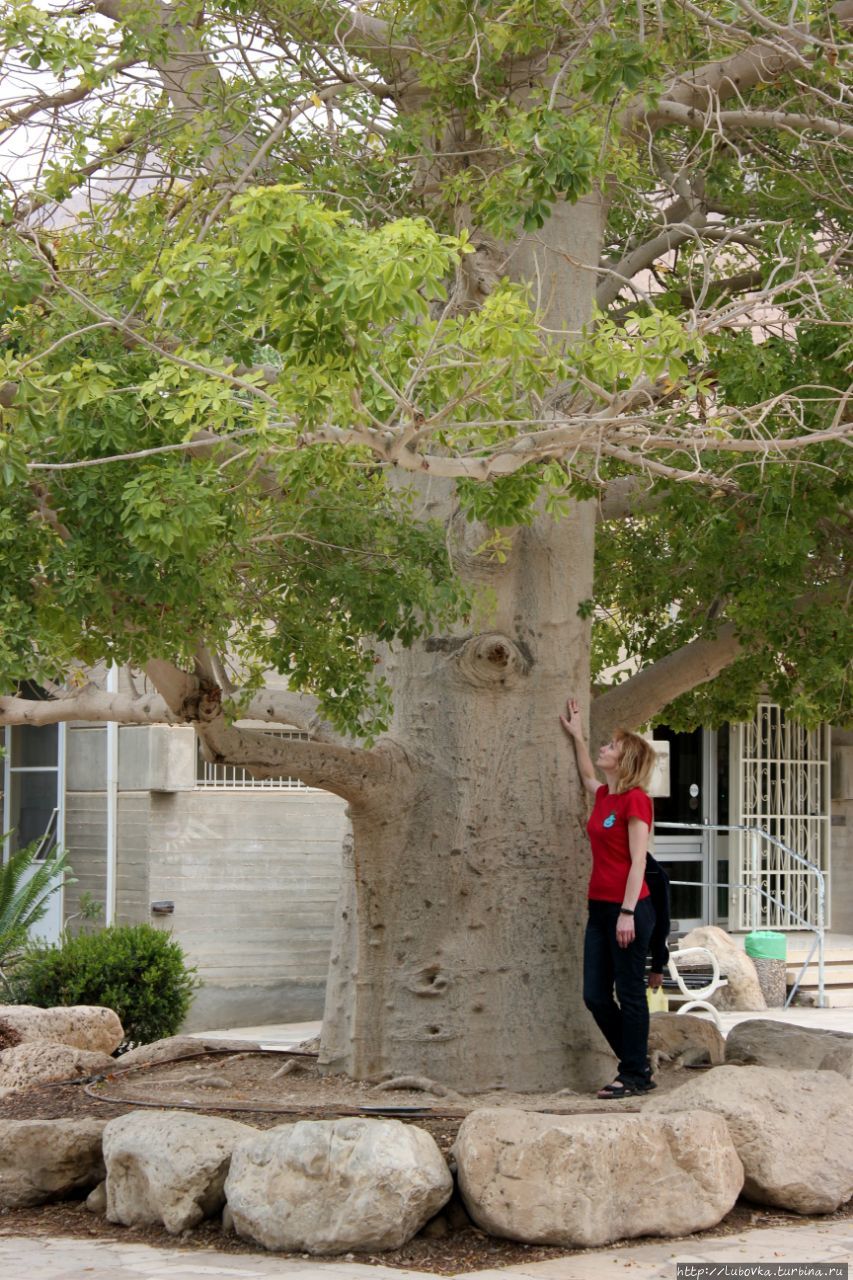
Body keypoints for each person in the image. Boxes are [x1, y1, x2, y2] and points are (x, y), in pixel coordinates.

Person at [560, 698, 659, 1098]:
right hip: (599, 908)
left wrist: (628, 913)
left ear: (626, 760)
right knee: (595, 996)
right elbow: (587, 776)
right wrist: (577, 737)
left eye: (611, 747)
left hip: (630, 909)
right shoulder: (605, 797)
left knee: (630, 992)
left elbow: (639, 861)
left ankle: (633, 1074)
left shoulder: (637, 800)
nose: (605, 749)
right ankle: (637, 1065)